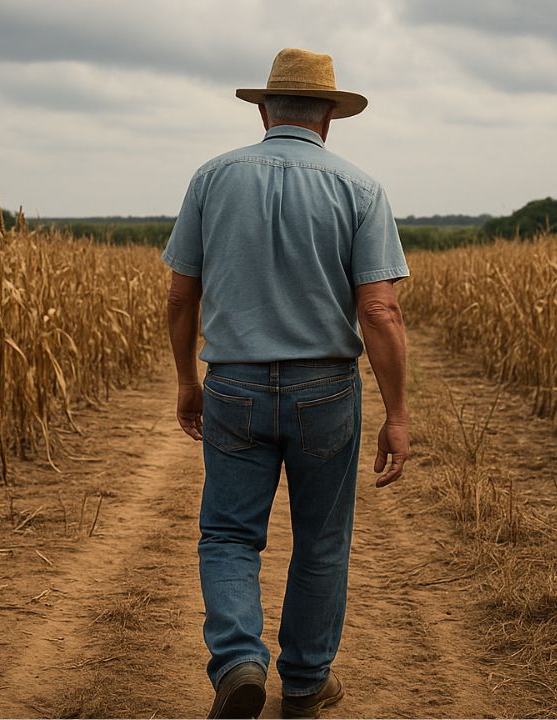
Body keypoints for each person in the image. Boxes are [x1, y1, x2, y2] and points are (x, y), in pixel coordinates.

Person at [163, 47, 410, 719]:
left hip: (234, 385)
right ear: (330, 116)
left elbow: (182, 299)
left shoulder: (212, 178)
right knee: (321, 540)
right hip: (325, 390)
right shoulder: (360, 189)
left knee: (228, 536)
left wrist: (187, 381)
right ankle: (304, 682)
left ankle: (240, 660)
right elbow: (380, 310)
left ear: (266, 109)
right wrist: (398, 413)